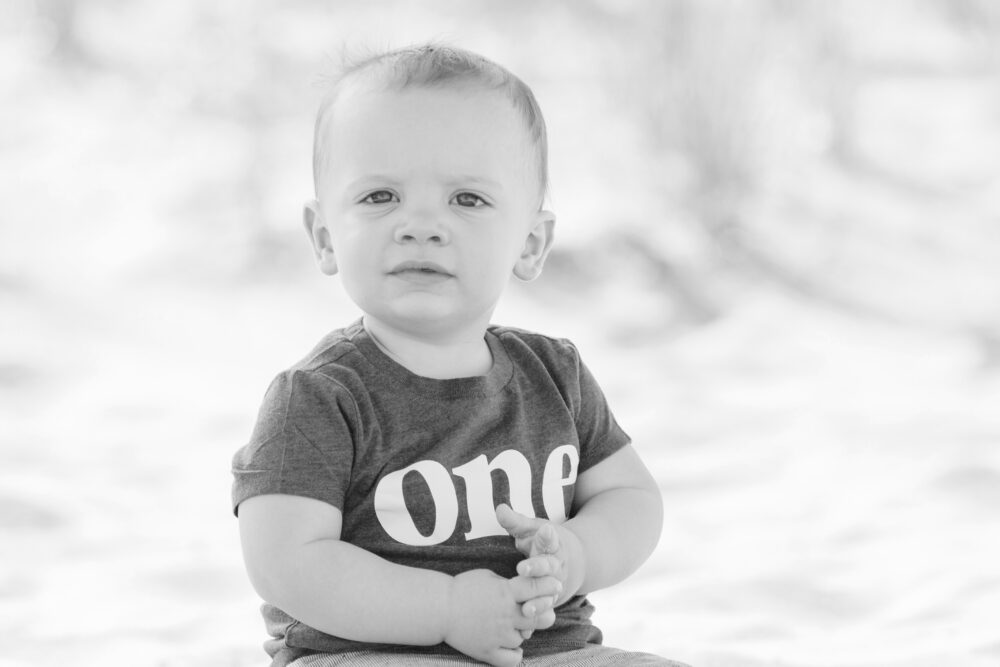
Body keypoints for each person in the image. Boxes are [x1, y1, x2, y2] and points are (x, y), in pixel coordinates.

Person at [232, 44, 686, 667]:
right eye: (379, 197)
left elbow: (632, 499)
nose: (421, 224)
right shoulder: (319, 397)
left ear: (529, 243)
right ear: (324, 235)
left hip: (548, 652)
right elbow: (286, 563)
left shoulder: (556, 377)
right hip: (372, 654)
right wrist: (445, 609)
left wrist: (576, 552)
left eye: (466, 199)